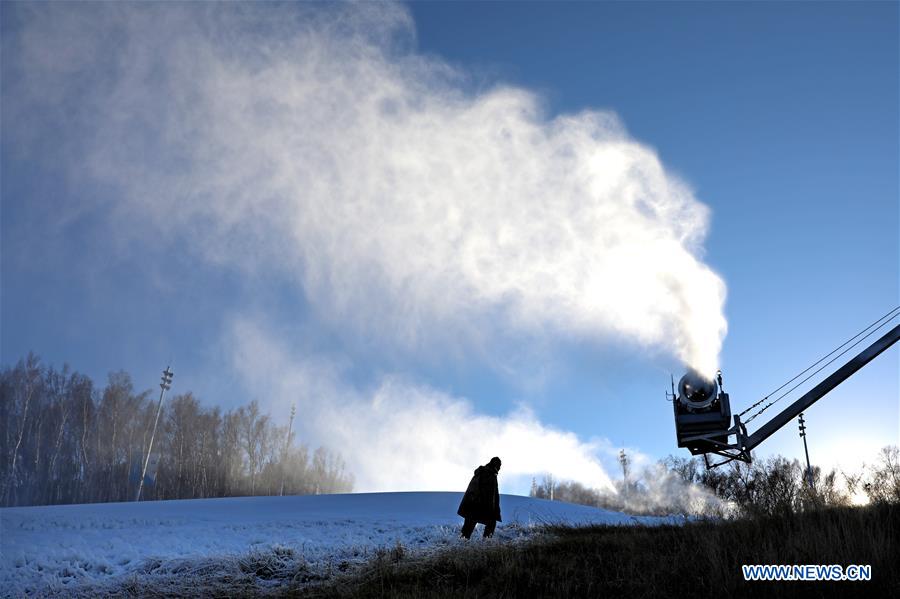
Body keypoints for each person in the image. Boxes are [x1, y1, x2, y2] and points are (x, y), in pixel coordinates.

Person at [457, 456, 502, 539]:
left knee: (488, 523)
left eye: (500, 465)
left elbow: (494, 495)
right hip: (477, 505)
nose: (499, 467)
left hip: (479, 506)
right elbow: (478, 488)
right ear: (493, 464)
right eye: (498, 465)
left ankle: (485, 542)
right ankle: (484, 542)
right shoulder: (486, 472)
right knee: (470, 526)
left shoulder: (490, 474)